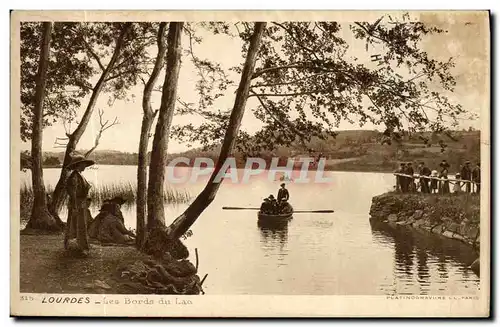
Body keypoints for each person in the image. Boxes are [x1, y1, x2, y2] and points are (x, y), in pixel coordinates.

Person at [64, 155, 95, 255]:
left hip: (80, 204)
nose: (85, 166)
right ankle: (81, 248)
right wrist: (75, 206)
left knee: (79, 225)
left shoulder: (78, 175)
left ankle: (77, 246)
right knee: (79, 225)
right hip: (77, 204)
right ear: (79, 165)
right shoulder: (74, 177)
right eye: (83, 164)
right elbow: (72, 193)